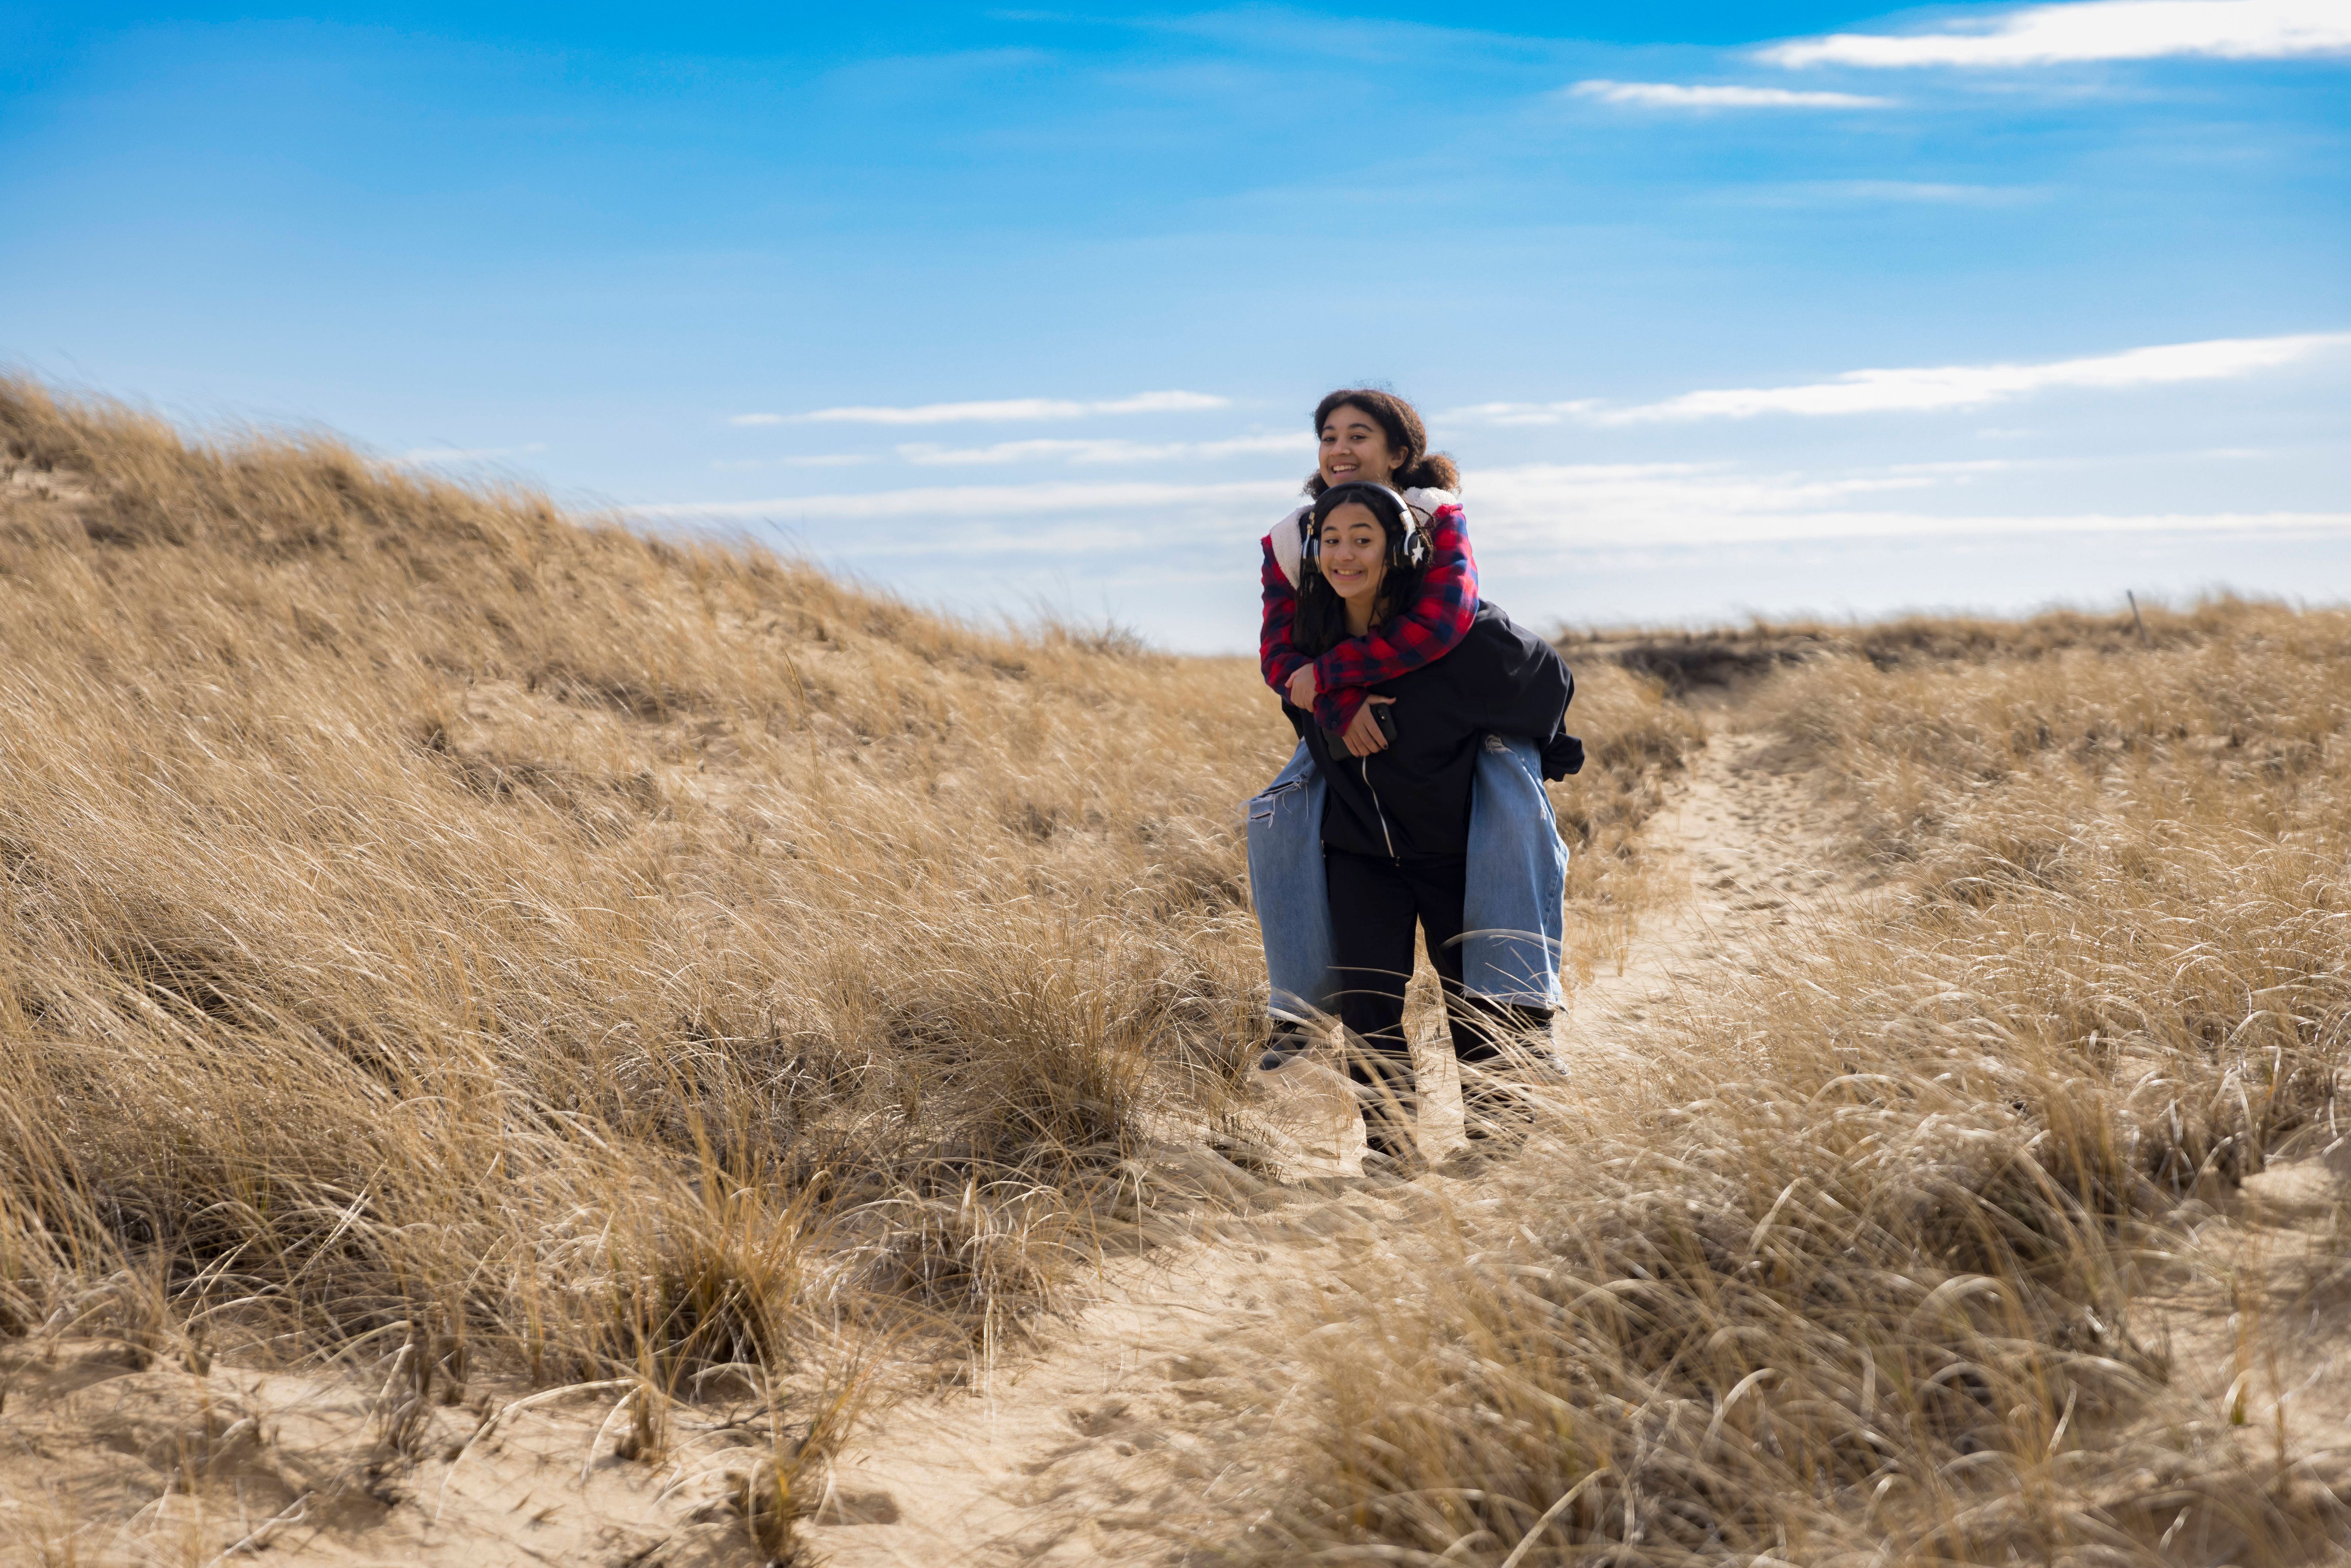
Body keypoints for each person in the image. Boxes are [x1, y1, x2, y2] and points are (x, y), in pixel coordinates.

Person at [1275, 482, 1581, 1170]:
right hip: (1357, 849)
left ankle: (1497, 1148)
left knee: (1475, 999)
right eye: (1330, 539)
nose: (1344, 555)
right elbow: (1298, 705)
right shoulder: (1311, 639)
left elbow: (1547, 678)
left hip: (1454, 850)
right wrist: (1334, 707)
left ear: (1402, 550)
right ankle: (1390, 1154)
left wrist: (1547, 752)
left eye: (1364, 539)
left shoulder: (1464, 634)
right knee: (1367, 1001)